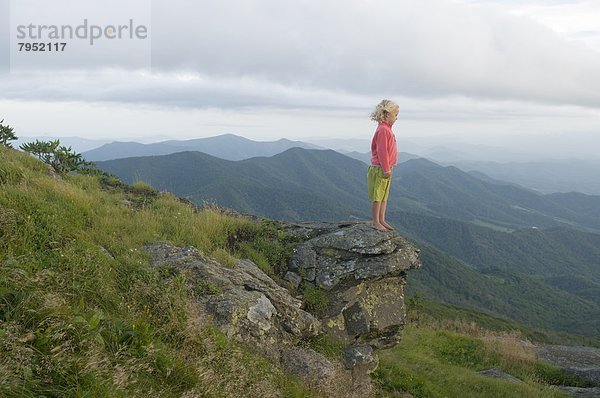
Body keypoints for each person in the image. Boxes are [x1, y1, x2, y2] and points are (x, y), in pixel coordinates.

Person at [367, 99, 399, 231]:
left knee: (384, 196)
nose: (396, 118)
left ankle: (381, 219)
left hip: (386, 168)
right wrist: (386, 168)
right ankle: (376, 222)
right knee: (377, 196)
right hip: (380, 169)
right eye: (395, 115)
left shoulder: (386, 129)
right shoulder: (383, 130)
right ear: (387, 114)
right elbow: (382, 151)